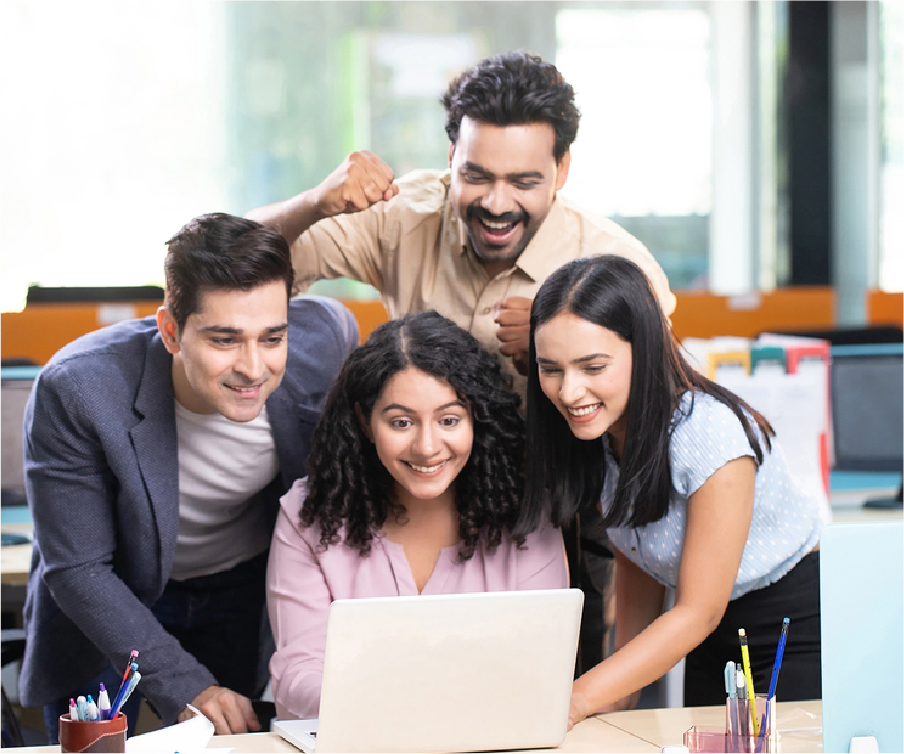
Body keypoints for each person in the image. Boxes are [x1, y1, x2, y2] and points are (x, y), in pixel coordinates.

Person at [20, 213, 358, 740]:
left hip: (238, 589)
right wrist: (184, 685)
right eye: (225, 340)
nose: (253, 367)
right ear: (171, 331)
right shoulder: (78, 390)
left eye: (272, 337)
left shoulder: (327, 344)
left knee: (228, 740)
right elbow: (79, 569)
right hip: (111, 592)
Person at [247, 50, 676, 396]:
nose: (496, 203)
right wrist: (313, 203)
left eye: (523, 182)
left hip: (554, 493)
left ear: (561, 170)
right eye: (476, 176)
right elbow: (236, 256)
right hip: (419, 484)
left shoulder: (619, 263)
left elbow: (659, 407)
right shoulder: (401, 213)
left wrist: (561, 350)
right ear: (451, 159)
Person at [519, 255, 824, 726]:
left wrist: (576, 701)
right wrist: (611, 700)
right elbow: (640, 562)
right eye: (551, 369)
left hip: (791, 628)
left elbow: (698, 610)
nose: (569, 391)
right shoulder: (599, 437)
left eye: (593, 366)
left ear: (644, 349)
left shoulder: (708, 434)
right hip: (704, 636)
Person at [266, 311, 567, 719]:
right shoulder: (308, 517)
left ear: (475, 419)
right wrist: (393, 708)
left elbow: (540, 666)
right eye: (401, 422)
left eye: (449, 420)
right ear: (365, 422)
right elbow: (299, 671)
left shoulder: (527, 515)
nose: (427, 447)